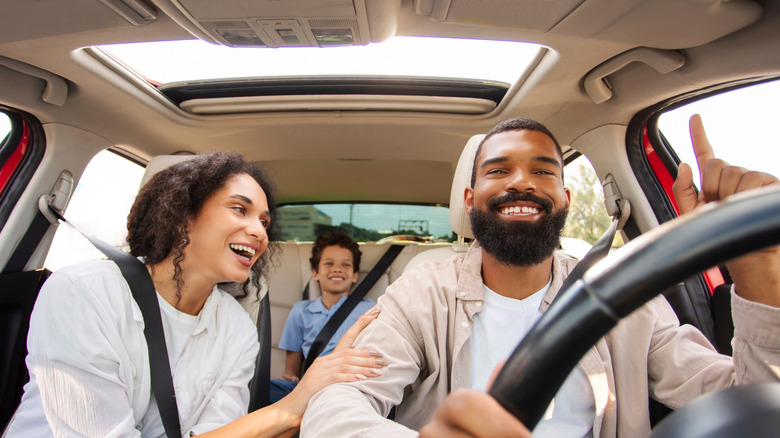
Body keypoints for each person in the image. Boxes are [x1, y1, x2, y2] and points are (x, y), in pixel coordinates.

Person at [301, 115, 780, 437]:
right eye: (498, 170)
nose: (521, 182)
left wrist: (757, 269)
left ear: (566, 198)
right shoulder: (422, 293)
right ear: (469, 200)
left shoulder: (625, 297)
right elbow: (334, 409)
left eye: (544, 171)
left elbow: (751, 405)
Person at [4, 152, 387, 437]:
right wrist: (292, 405)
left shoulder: (237, 327)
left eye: (264, 221)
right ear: (180, 216)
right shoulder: (84, 294)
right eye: (239, 209)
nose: (260, 232)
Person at [270, 231, 377, 402]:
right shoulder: (301, 311)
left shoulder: (369, 309)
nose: (337, 269)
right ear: (315, 273)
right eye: (328, 263)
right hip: (313, 386)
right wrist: (291, 378)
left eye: (346, 265)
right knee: (262, 389)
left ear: (355, 275)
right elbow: (292, 372)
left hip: (351, 384)